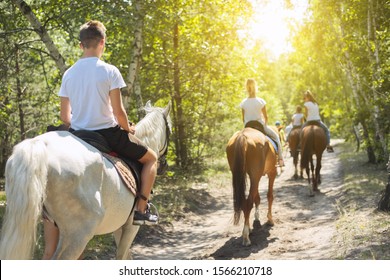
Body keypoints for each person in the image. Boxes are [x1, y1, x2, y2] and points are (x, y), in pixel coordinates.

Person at [43, 20, 158, 259]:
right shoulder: (109, 71)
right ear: (102, 43)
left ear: (81, 44)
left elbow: (65, 117)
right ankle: (141, 210)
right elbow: (118, 113)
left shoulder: (69, 73)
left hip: (76, 135)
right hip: (108, 133)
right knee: (151, 159)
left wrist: (80, 120)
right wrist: (129, 129)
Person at [240, 78, 284, 166]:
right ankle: (280, 159)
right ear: (255, 87)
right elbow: (266, 117)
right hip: (260, 125)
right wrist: (265, 124)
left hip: (247, 126)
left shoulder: (243, 102)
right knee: (276, 137)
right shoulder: (260, 101)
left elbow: (243, 118)